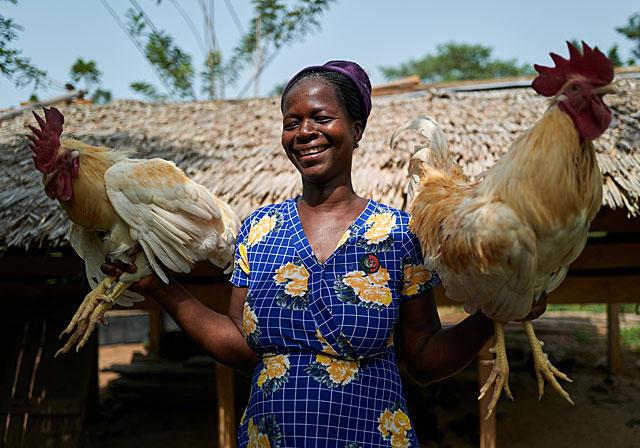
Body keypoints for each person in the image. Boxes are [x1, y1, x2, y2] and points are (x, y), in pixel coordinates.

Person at [118, 60, 545, 447]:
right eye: (292, 122)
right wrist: (159, 286)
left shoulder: (397, 235)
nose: (305, 132)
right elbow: (243, 347)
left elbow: (424, 358)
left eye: (322, 118)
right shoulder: (259, 230)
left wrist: (494, 313)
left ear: (356, 130)